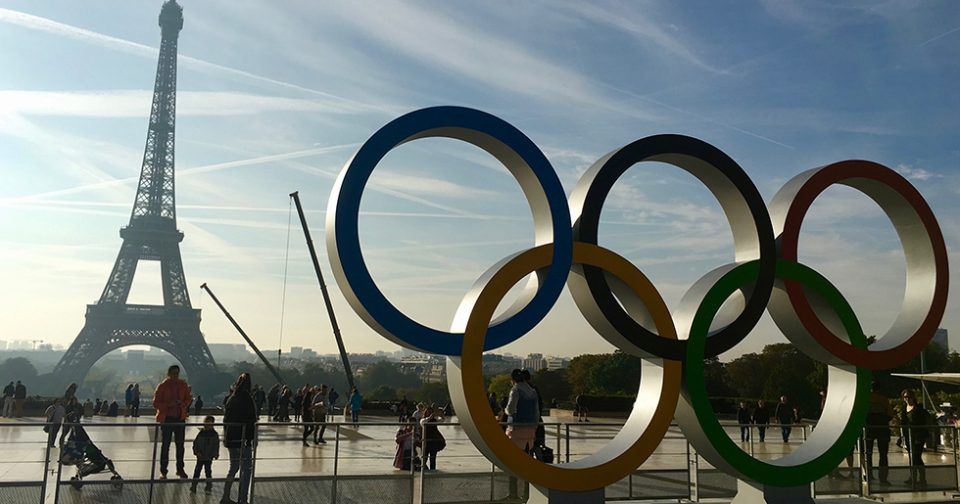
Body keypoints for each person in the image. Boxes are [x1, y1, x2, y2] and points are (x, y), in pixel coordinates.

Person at [153, 364, 192, 479]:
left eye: (177, 373)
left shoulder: (182, 384)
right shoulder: (162, 386)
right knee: (166, 446)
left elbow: (188, 398)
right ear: (169, 374)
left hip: (179, 418)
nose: (176, 375)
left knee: (180, 446)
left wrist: (183, 403)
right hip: (168, 418)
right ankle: (164, 471)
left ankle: (180, 469)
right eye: (174, 373)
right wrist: (169, 405)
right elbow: (155, 403)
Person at [223, 373, 257, 504]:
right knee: (247, 469)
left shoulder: (232, 398)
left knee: (233, 468)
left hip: (231, 439)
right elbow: (251, 420)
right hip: (244, 439)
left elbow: (227, 419)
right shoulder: (247, 399)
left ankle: (225, 496)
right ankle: (243, 499)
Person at [899, 389, 930, 487]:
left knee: (916, 457)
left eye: (908, 397)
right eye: (905, 397)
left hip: (918, 436)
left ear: (913, 397)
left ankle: (922, 478)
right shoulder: (904, 409)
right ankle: (913, 477)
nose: (907, 399)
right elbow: (903, 423)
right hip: (908, 436)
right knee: (912, 457)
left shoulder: (919, 409)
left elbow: (924, 421)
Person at [863, 383, 892, 485]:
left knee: (868, 454)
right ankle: (883, 478)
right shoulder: (883, 399)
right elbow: (890, 415)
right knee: (883, 455)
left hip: (868, 429)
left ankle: (869, 475)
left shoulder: (864, 399)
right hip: (882, 429)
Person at [505, 369, 539, 453]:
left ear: (513, 379)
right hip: (530, 427)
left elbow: (510, 410)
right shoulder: (533, 391)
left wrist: (505, 410)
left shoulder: (515, 390)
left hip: (516, 427)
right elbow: (536, 411)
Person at [190, 415, 220, 494]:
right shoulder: (202, 433)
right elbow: (195, 443)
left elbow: (216, 445)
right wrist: (196, 452)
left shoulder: (213, 434)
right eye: (207, 423)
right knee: (198, 471)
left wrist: (215, 454)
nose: (208, 425)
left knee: (208, 471)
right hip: (201, 456)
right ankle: (194, 486)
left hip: (208, 456)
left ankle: (208, 487)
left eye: (210, 424)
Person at [420, 406, 446, 471]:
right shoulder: (423, 419)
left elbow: (442, 420)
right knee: (424, 457)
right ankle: (422, 469)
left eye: (431, 412)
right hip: (426, 441)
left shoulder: (434, 420)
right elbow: (423, 422)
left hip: (434, 441)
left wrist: (441, 415)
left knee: (433, 458)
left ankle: (432, 470)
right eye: (428, 412)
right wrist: (429, 418)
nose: (430, 413)